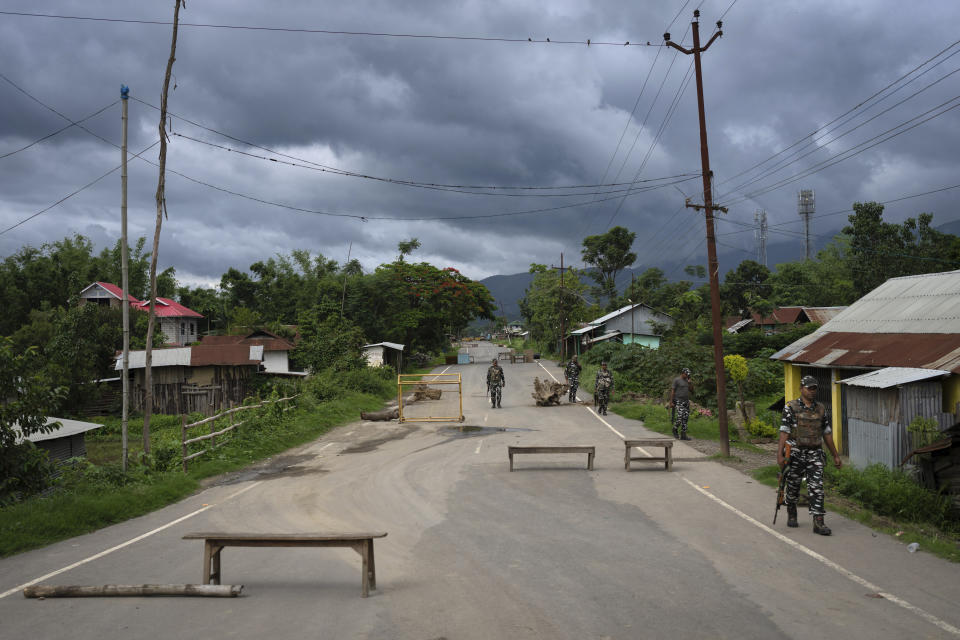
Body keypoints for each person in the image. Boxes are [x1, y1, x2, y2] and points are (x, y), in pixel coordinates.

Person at [777, 375, 843, 536]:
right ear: (801, 388)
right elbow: (784, 431)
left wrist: (835, 455)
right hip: (795, 453)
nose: (812, 391)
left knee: (817, 487)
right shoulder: (790, 407)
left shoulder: (820, 409)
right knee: (793, 486)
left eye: (814, 388)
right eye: (809, 388)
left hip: (815, 453)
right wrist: (779, 455)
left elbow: (827, 433)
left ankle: (818, 522)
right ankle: (792, 512)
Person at [668, 367, 694, 440]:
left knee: (685, 418)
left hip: (686, 401)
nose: (687, 376)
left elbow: (692, 391)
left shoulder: (687, 380)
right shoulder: (677, 380)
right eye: (686, 374)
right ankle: (675, 429)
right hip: (679, 401)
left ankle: (683, 435)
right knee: (680, 417)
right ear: (682, 373)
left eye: (688, 375)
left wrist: (690, 383)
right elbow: (672, 391)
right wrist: (671, 402)